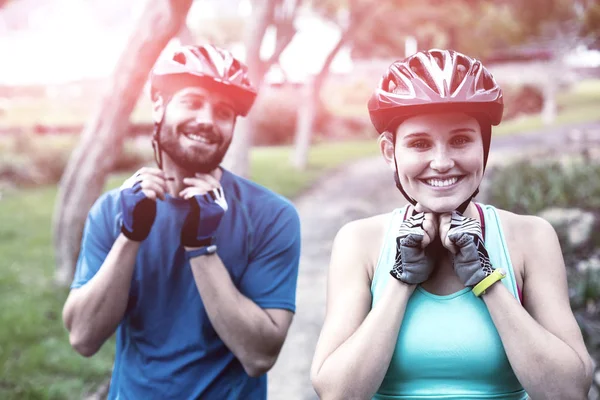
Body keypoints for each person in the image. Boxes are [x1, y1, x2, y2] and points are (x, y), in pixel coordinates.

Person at [310, 49, 593, 399]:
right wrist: (401, 280)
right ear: (389, 152)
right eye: (419, 144)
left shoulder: (531, 237)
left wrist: (487, 280)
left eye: (460, 140)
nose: (442, 162)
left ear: (484, 147)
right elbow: (338, 394)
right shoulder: (359, 242)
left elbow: (568, 392)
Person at [62, 44, 301, 399]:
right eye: (191, 102)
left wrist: (202, 248)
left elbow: (259, 355)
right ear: (159, 106)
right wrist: (130, 236)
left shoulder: (271, 216)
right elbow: (83, 338)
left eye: (223, 112)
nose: (207, 120)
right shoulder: (112, 210)